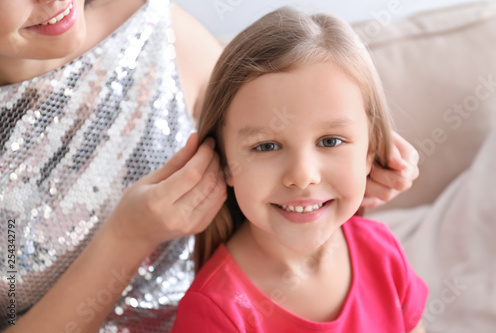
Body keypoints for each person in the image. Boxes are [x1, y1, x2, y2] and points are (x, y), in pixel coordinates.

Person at [0, 0, 418, 332]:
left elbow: (272, 114)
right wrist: (127, 235)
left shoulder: (152, 21)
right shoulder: (218, 307)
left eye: (331, 141)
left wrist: (364, 165)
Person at [171, 7, 428, 333]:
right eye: (266, 146)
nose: (303, 175)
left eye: (331, 141)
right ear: (223, 162)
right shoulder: (216, 311)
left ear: (370, 151)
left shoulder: (382, 252)